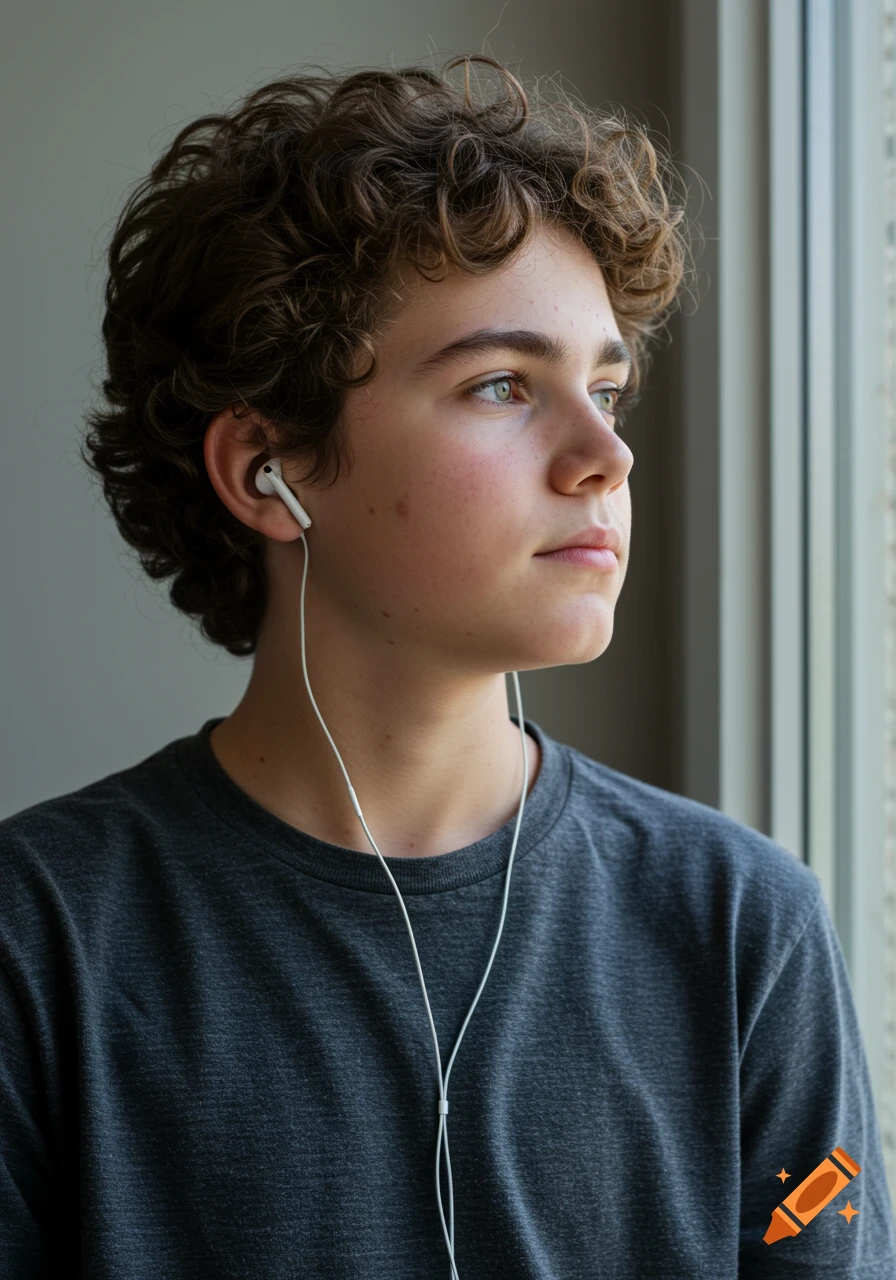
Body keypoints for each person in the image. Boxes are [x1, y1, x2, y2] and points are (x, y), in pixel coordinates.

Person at [1, 53, 894, 1279]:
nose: (604, 457)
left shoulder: (740, 925)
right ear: (269, 466)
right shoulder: (37, 939)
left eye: (606, 389)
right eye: (500, 384)